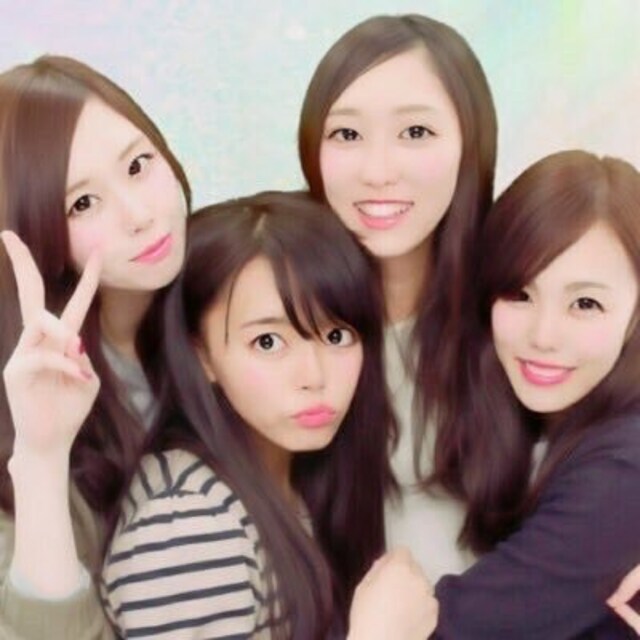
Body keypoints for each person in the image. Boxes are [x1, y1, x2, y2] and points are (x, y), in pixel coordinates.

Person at [101, 191, 438, 639]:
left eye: (336, 336)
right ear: (201, 355)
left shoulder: (292, 482)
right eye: (268, 342)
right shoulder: (189, 523)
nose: (314, 376)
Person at [298, 12, 497, 580]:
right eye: (347, 134)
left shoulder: (519, 307)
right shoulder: (273, 303)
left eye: (415, 132)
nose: (378, 172)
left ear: (470, 143)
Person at [0, 55, 190, 639]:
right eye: (82, 203)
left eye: (138, 165)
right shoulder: (26, 407)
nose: (141, 215)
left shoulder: (232, 296)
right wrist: (42, 457)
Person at [434, 150, 640, 637]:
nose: (544, 336)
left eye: (585, 303)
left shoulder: (626, 469)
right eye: (520, 294)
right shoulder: (524, 421)